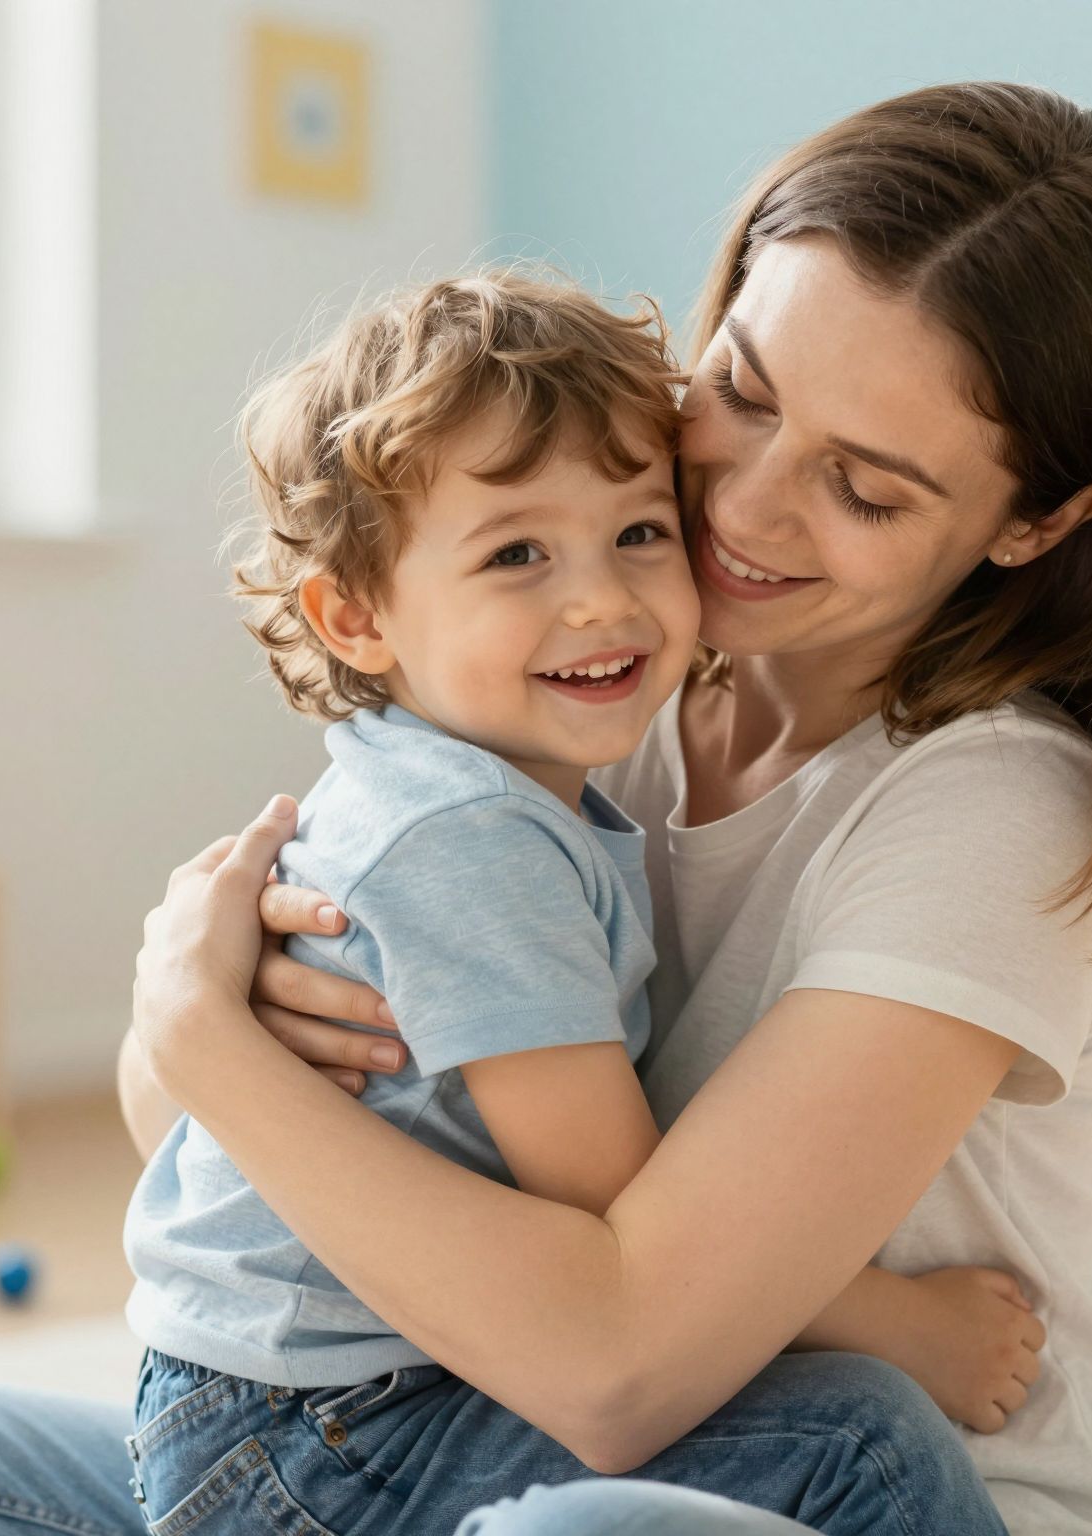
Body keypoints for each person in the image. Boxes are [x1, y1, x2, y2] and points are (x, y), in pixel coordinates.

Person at [0, 81, 1092, 1536]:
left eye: (865, 489)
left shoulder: (993, 810)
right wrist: (202, 1036)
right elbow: (217, 1170)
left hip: (832, 1487)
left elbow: (614, 1368)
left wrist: (199, 1028)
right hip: (457, 1426)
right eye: (747, 395)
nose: (747, 511)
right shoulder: (587, 695)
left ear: (1039, 523)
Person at [118, 268, 1024, 1532]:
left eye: (639, 533)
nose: (599, 597)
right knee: (859, 1440)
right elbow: (610, 1202)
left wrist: (193, 1031)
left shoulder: (474, 782)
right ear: (355, 614)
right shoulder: (472, 835)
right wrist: (904, 1323)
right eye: (517, 553)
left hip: (286, 1400)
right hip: (328, 1432)